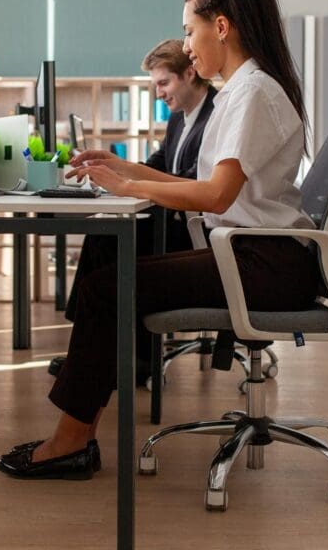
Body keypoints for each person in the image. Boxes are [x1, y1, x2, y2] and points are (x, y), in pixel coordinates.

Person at [0, 0, 324, 480]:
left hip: (262, 264)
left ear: (221, 26)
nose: (187, 48)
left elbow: (215, 196)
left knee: (106, 288)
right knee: (108, 280)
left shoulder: (252, 93)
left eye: (190, 32)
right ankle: (74, 435)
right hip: (251, 256)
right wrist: (127, 170)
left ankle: (71, 443)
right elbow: (201, 184)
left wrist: (126, 181)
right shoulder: (243, 89)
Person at [51, 39, 217, 383]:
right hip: (176, 222)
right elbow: (157, 165)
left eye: (164, 83)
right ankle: (96, 348)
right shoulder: (180, 119)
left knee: (109, 239)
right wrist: (114, 167)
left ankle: (125, 355)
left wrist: (125, 181)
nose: (159, 94)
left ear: (189, 74)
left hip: (198, 232)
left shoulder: (216, 115)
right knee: (107, 233)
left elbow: (193, 183)